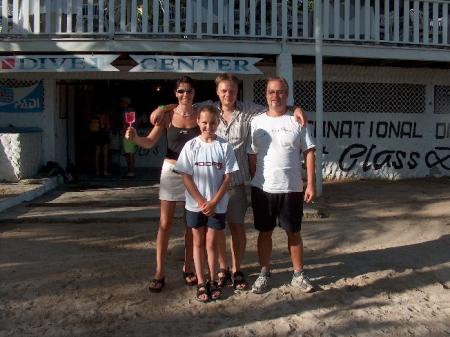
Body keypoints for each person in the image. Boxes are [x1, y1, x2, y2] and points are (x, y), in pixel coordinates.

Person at [151, 73, 307, 291]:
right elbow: (182, 102)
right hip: (209, 185)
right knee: (215, 231)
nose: (228, 94)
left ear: (237, 91)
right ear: (217, 92)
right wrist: (161, 107)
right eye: (223, 90)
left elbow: (275, 105)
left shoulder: (249, 111)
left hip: (235, 182)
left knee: (236, 227)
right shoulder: (206, 109)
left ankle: (236, 269)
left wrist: (295, 108)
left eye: (232, 90)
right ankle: (222, 269)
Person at [125, 76, 199, 292]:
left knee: (190, 225)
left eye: (189, 91)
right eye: (181, 91)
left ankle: (188, 267)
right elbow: (148, 142)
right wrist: (134, 137)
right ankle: (159, 272)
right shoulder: (167, 115)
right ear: (175, 93)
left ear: (195, 93)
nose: (185, 95)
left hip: (194, 173)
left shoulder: (200, 114)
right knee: (165, 224)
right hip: (171, 171)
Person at [247, 76, 316, 294]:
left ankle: (298, 274)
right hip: (263, 189)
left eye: (280, 92)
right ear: (265, 95)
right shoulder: (256, 121)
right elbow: (252, 156)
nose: (275, 96)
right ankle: (264, 273)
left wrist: (311, 184)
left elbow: (309, 152)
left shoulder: (298, 120)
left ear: (287, 94)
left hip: (292, 188)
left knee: (293, 233)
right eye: (271, 92)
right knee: (264, 233)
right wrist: (257, 180)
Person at [175, 105, 239, 302]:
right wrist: (202, 201)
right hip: (195, 205)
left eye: (212, 123)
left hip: (217, 205)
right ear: (198, 122)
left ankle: (212, 280)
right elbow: (185, 176)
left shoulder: (224, 146)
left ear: (217, 123)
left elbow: (228, 178)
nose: (208, 126)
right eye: (204, 122)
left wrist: (214, 202)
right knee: (197, 242)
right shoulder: (191, 146)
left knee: (211, 243)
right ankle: (201, 281)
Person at [90, 107, 111, 176]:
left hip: (96, 135)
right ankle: (105, 172)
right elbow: (108, 127)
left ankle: (97, 171)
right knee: (105, 154)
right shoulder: (105, 116)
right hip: (104, 135)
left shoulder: (94, 116)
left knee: (97, 154)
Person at [120, 96, 136, 177]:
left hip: (128, 134)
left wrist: (123, 134)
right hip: (132, 133)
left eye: (123, 102)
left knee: (129, 153)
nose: (121, 103)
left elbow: (125, 124)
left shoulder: (126, 111)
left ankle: (130, 171)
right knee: (130, 153)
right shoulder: (132, 110)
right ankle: (131, 171)